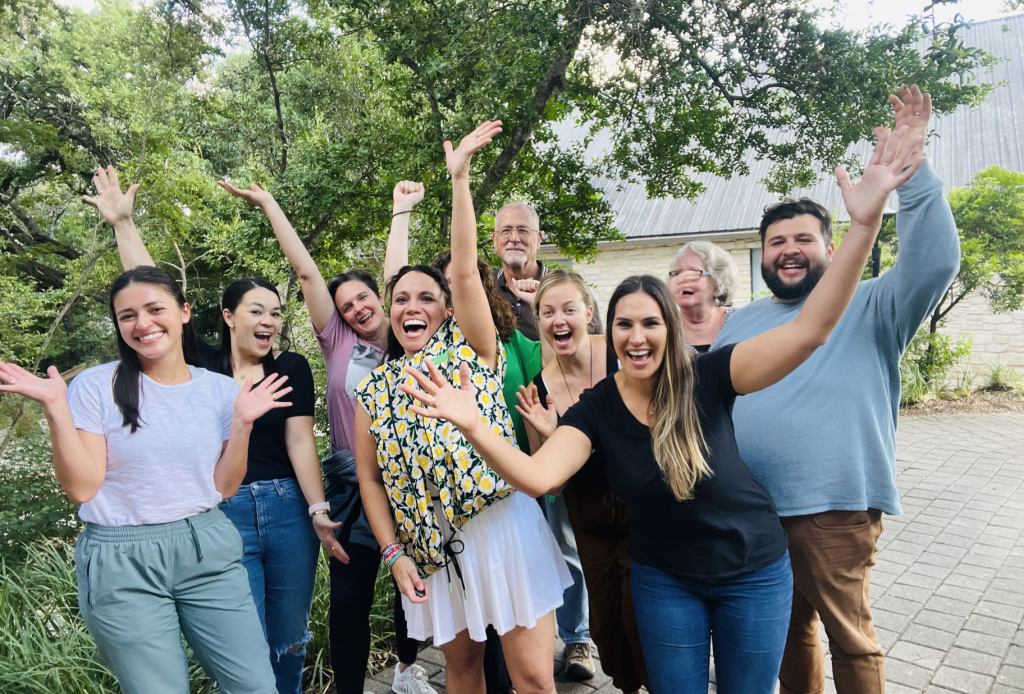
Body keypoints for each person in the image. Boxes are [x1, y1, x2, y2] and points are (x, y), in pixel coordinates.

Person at [396, 124, 924, 694]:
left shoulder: (710, 374)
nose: (637, 336)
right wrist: (472, 422)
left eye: (650, 322)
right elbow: (535, 476)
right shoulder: (596, 409)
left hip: (753, 570)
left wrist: (864, 226)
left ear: (670, 328)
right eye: (626, 324)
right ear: (611, 330)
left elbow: (812, 330)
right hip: (664, 577)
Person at [713, 86, 959, 694]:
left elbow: (935, 262)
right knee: (788, 633)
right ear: (762, 255)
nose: (789, 251)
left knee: (849, 638)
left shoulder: (873, 303)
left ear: (830, 245)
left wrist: (912, 172)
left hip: (833, 509)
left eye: (803, 240)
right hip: (753, 511)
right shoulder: (740, 321)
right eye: (776, 243)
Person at [83, 167, 341, 694]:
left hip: (287, 506)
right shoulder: (203, 369)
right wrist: (123, 226)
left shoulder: (289, 366)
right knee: (240, 644)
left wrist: (317, 510)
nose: (268, 320)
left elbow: (299, 442)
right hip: (220, 510)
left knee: (289, 637)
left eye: (276, 312)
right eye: (256, 310)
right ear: (228, 316)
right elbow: (151, 302)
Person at [0, 266, 294, 694]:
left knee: (255, 685)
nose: (143, 324)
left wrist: (244, 423)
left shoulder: (220, 390)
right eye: (127, 316)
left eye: (155, 309)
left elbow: (225, 487)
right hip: (122, 559)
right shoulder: (95, 386)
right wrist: (55, 409)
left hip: (206, 545)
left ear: (184, 311)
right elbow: (82, 488)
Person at [355, 120, 572, 694]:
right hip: (432, 544)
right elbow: (369, 480)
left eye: (428, 296)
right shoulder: (375, 392)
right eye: (400, 298)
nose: (412, 306)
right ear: (389, 311)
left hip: (504, 526)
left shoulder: (473, 350)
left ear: (448, 308)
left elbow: (467, 267)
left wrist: (460, 181)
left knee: (531, 676)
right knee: (462, 670)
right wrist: (393, 552)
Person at [218, 179, 438, 694]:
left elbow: (398, 276)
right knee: (349, 599)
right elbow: (306, 271)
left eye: (364, 297)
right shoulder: (339, 341)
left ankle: (406, 668)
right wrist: (271, 203)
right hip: (348, 481)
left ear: (383, 298)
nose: (357, 308)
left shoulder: (414, 335)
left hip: (416, 474)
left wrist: (400, 213)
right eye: (346, 306)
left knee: (415, 589)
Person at [517, 269, 649, 694]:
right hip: (590, 521)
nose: (559, 320)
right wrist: (548, 430)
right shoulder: (539, 389)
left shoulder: (620, 355)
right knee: (609, 633)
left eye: (569, 309)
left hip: (643, 515)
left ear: (588, 313)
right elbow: (550, 485)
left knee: (642, 621)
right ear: (539, 322)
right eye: (548, 311)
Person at [491, 200, 595, 680]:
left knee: (567, 538)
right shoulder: (485, 292)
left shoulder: (558, 287)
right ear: (494, 240)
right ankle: (522, 646)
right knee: (525, 546)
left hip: (564, 428)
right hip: (507, 439)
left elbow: (576, 344)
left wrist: (537, 306)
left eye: (523, 231)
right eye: (505, 231)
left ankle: (577, 640)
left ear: (537, 238)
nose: (514, 237)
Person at [669, 241, 740, 352]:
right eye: (678, 274)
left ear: (717, 284)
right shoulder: (665, 326)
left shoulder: (739, 321)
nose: (683, 280)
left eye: (694, 273)